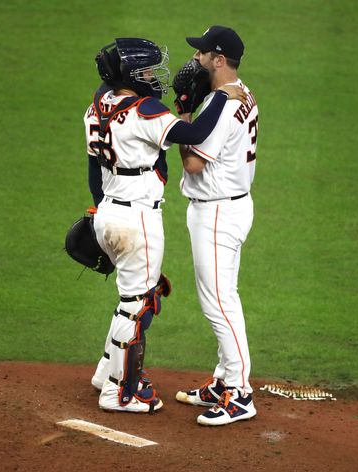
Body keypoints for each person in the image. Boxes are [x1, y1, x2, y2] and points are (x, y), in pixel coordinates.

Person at [83, 37, 246, 413]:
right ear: (128, 74)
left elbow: (94, 168)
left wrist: (99, 214)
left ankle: (106, 372)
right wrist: (221, 98)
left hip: (108, 211)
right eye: (146, 70)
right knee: (138, 306)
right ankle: (119, 392)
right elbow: (193, 135)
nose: (154, 76)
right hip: (137, 219)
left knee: (139, 297)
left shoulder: (96, 106)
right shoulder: (145, 109)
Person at [173, 26, 260, 426]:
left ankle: (240, 393)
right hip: (232, 206)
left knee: (219, 303)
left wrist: (185, 114)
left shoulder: (220, 106)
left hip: (217, 213)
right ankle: (224, 379)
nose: (196, 60)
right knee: (225, 296)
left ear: (219, 60)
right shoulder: (240, 93)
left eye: (202, 54)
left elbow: (193, 163)